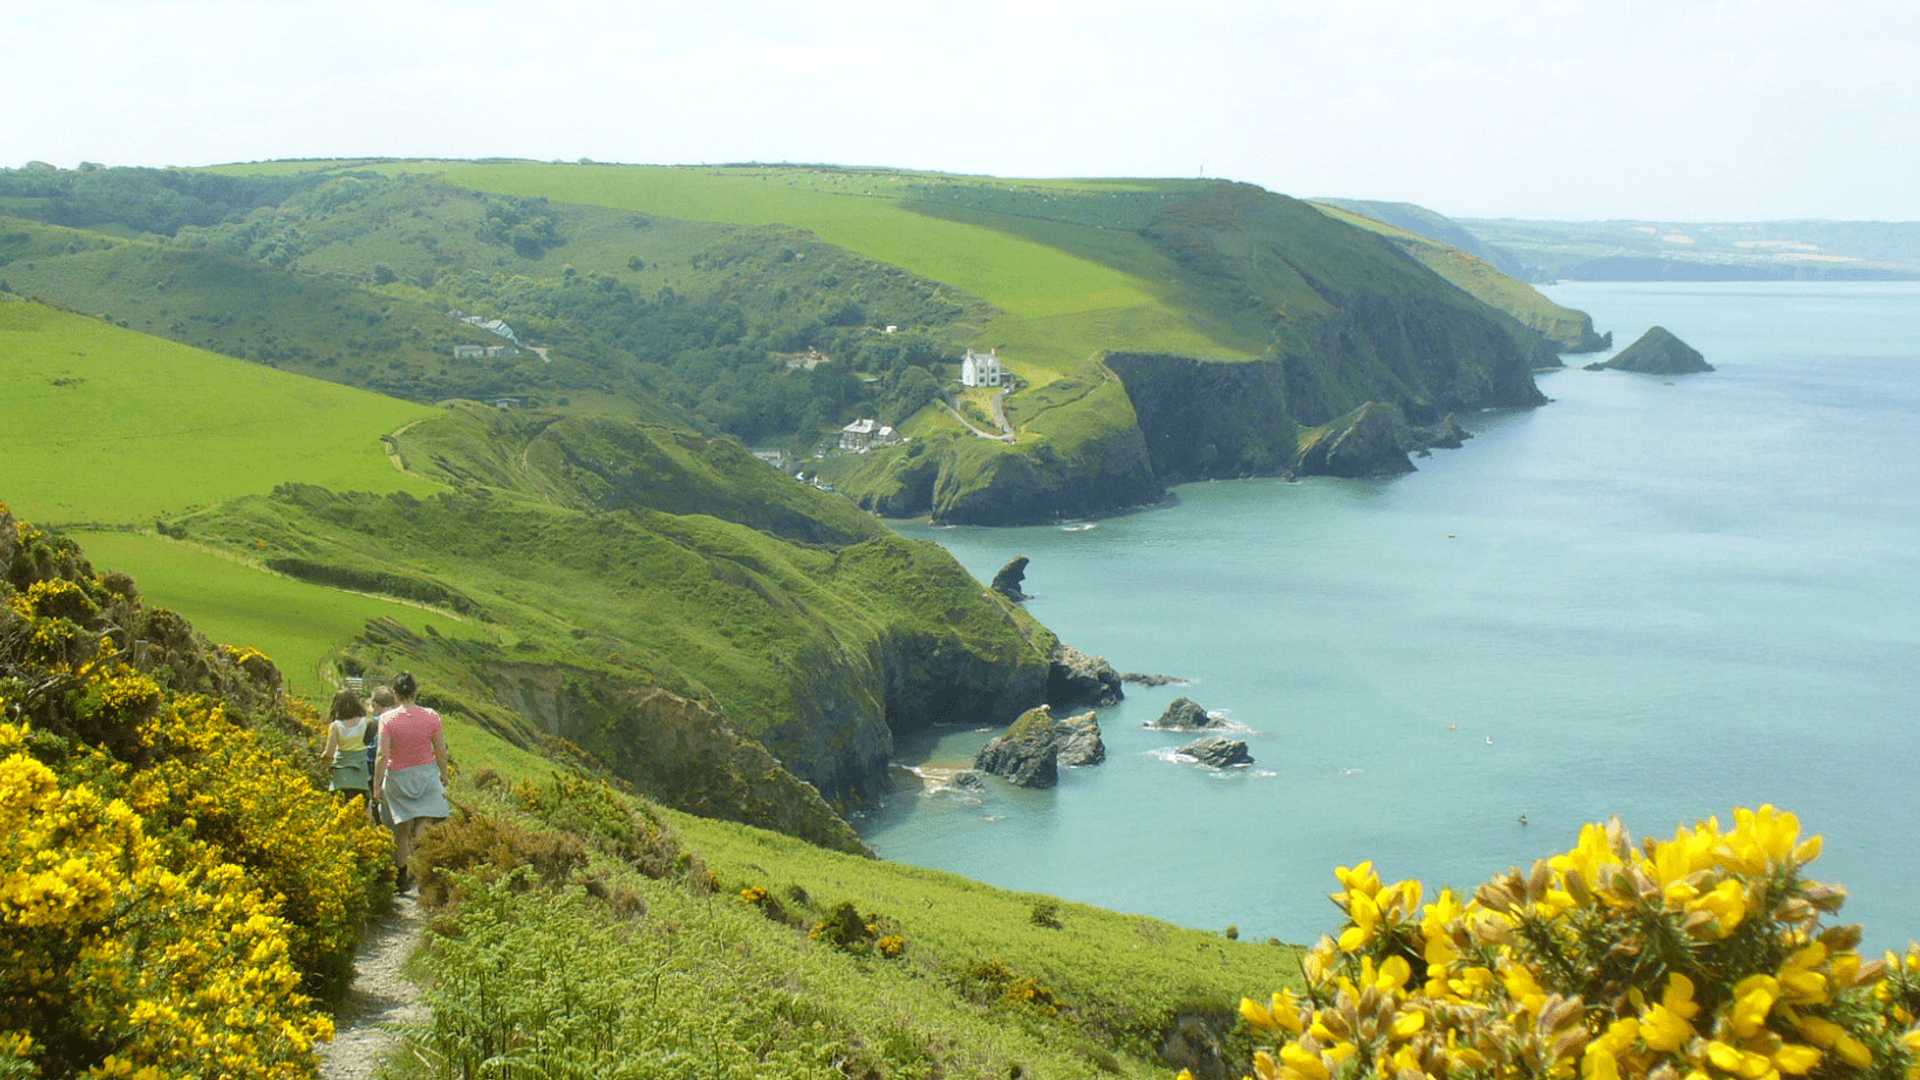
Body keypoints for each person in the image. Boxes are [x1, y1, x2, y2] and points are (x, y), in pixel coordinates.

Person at [373, 672, 450, 893]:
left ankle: (402, 877)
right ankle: (425, 874)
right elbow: (441, 750)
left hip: (398, 777)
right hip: (426, 775)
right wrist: (443, 775)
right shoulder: (431, 716)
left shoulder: (387, 719)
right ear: (416, 692)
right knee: (424, 824)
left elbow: (382, 756)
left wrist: (377, 786)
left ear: (395, 694)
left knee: (402, 830)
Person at [319, 689, 373, 807]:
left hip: (341, 776)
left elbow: (329, 753)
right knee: (361, 809)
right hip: (361, 774)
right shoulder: (367, 723)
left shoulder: (336, 726)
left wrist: (321, 762)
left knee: (340, 809)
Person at [365, 686, 399, 827]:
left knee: (374, 798)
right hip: (396, 765)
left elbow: (369, 749)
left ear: (375, 706)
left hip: (374, 764)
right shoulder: (398, 719)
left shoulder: (373, 722)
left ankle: (378, 827)